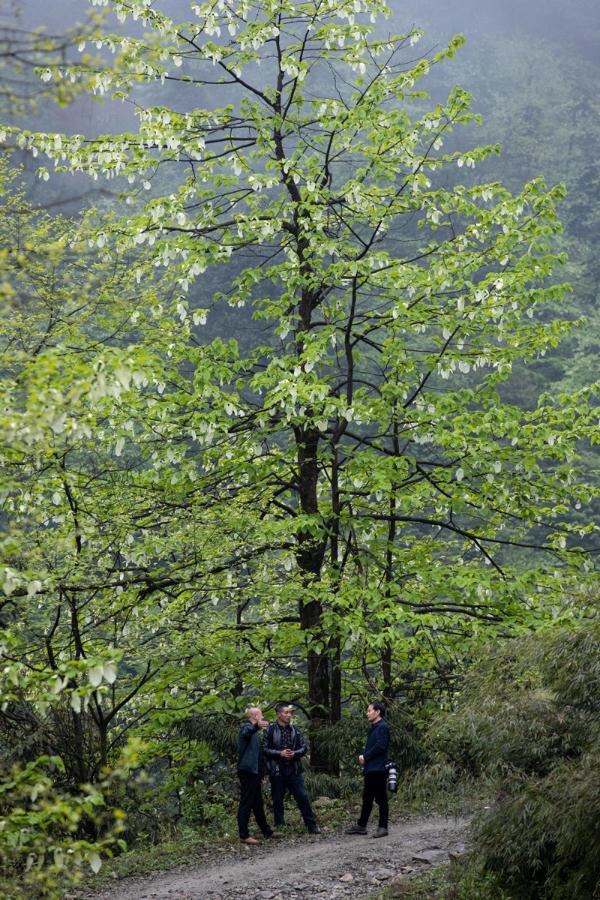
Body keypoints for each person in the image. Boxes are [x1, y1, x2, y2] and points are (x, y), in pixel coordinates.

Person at [263, 703, 321, 835]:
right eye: (286, 713)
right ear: (279, 714)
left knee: (302, 796)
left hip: (294, 769)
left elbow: (304, 748)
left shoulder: (296, 730)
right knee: (277, 799)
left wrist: (295, 753)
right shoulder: (270, 730)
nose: (289, 715)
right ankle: (280, 826)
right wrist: (280, 753)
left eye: (290, 713)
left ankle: (311, 825)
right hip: (277, 769)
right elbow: (264, 749)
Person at [237, 706, 283, 845]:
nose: (262, 718)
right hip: (247, 771)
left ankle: (267, 831)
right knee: (246, 802)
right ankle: (243, 835)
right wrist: (256, 726)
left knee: (258, 803)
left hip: (255, 772)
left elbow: (259, 756)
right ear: (255, 717)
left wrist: (262, 774)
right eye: (260, 716)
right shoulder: (246, 728)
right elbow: (247, 732)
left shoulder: (255, 733)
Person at [345, 700, 390, 838]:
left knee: (381, 798)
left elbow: (381, 746)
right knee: (367, 797)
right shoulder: (374, 727)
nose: (367, 713)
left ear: (377, 712)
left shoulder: (382, 727)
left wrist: (365, 756)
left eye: (370, 710)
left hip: (378, 768)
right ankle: (362, 825)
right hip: (372, 768)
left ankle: (383, 827)